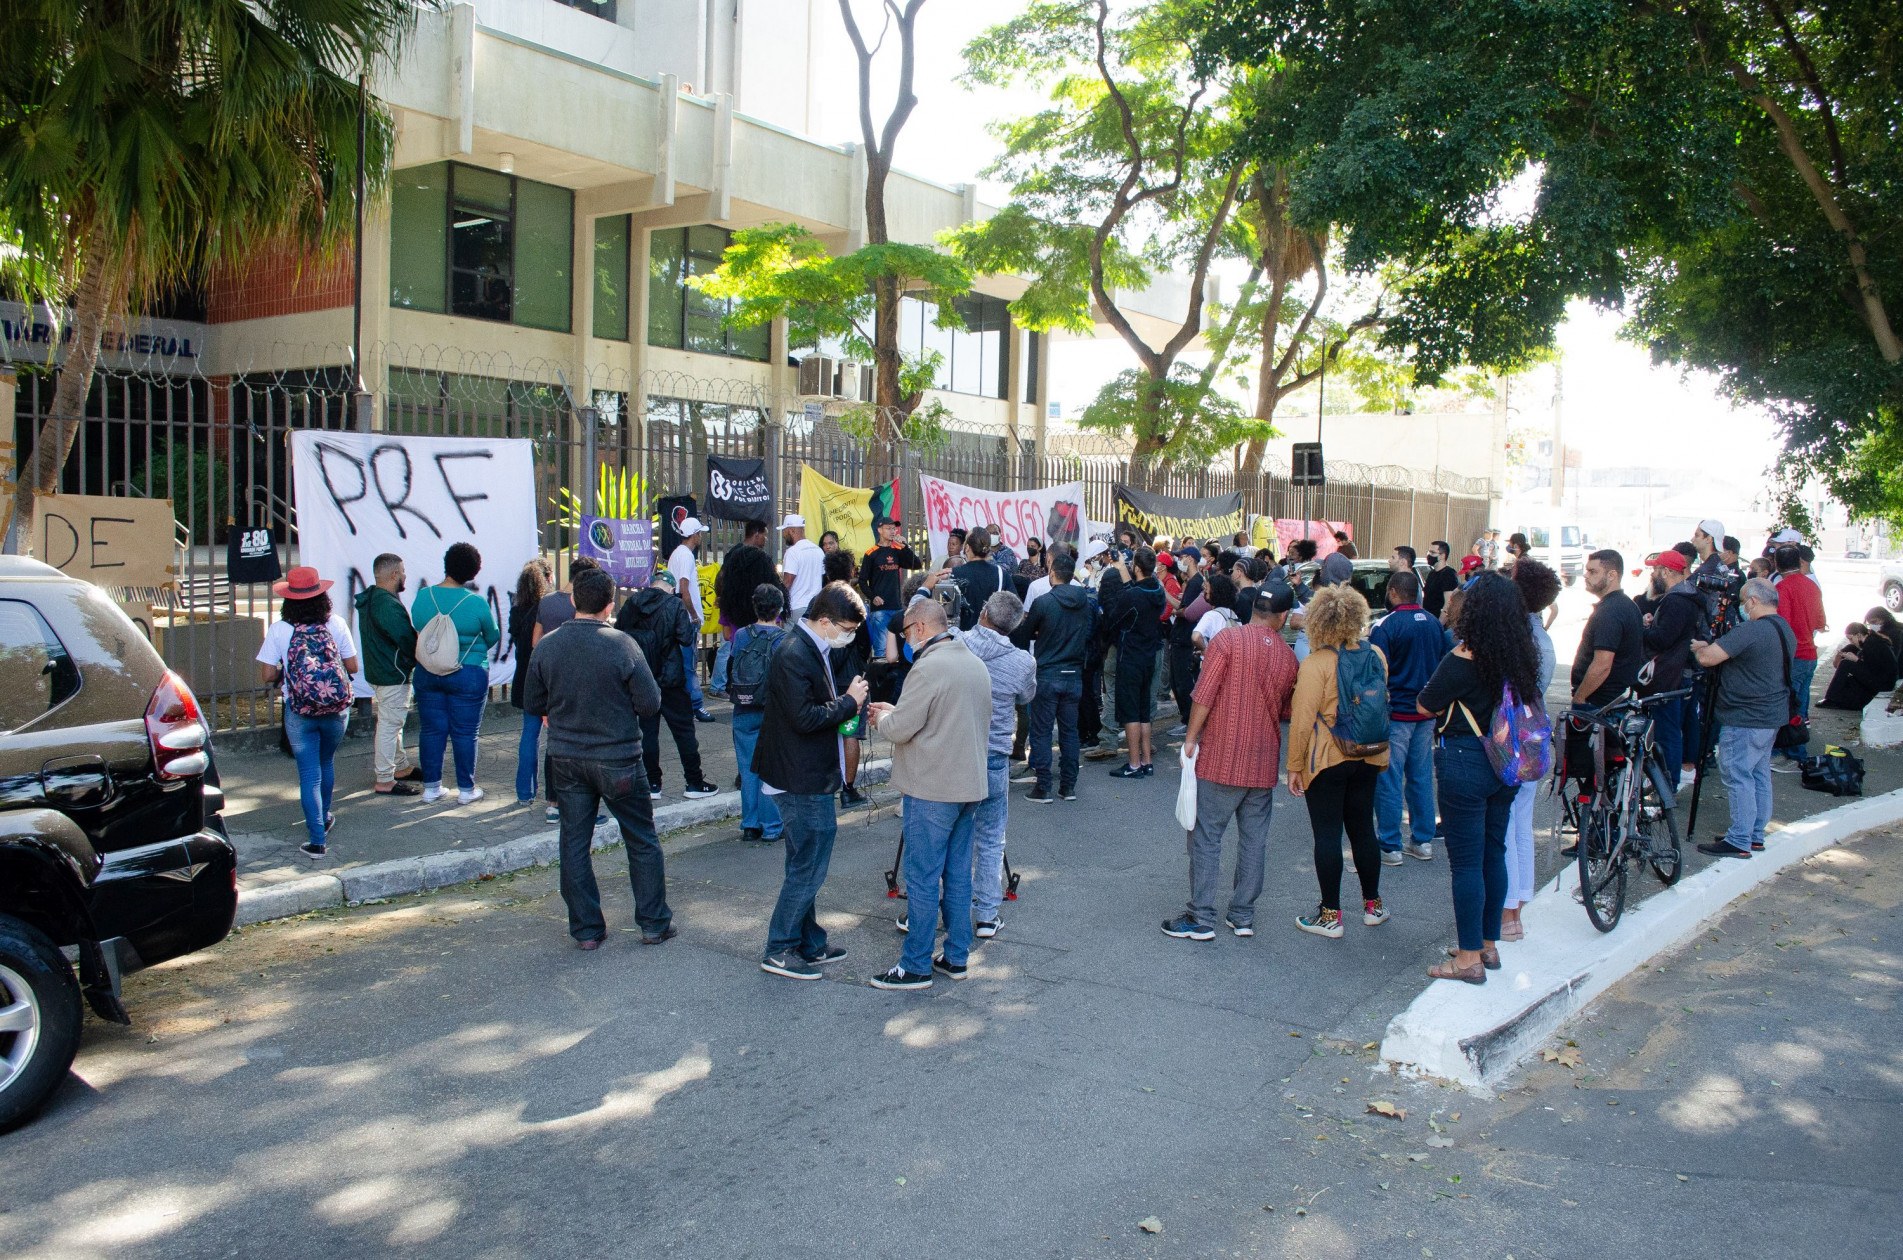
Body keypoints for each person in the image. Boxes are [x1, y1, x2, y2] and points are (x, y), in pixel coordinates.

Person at [523, 568, 674, 950]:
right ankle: (653, 922)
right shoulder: (621, 645)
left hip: (567, 758)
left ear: (573, 600)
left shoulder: (548, 646)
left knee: (573, 843)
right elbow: (650, 703)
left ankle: (587, 930)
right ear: (610, 604)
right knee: (640, 839)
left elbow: (532, 703)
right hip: (619, 757)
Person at [1416, 572, 1540, 983]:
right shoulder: (1520, 657)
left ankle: (1467, 959)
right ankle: (1486, 944)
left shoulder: (1463, 657)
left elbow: (1425, 705)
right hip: (1504, 764)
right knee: (1493, 852)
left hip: (1465, 760)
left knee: (1466, 864)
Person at [861, 599, 990, 989]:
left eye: (904, 634)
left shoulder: (928, 666)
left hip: (933, 788)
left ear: (918, 629)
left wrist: (884, 716)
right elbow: (939, 717)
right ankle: (955, 956)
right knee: (957, 875)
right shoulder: (973, 661)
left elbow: (901, 728)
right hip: (969, 786)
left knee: (921, 878)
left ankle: (915, 965)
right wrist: (895, 713)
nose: (904, 641)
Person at [1163, 584, 1300, 941]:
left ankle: (1201, 916)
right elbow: (1286, 709)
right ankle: (1242, 915)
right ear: (1283, 617)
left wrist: (1190, 740)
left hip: (1223, 755)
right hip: (1264, 758)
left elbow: (1204, 695)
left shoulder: (1226, 641)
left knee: (1206, 836)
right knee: (1254, 839)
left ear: (1254, 606)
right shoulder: (1288, 658)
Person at [757, 584, 869, 980]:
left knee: (803, 860)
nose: (848, 637)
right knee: (809, 864)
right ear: (824, 621)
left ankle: (809, 940)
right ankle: (780, 947)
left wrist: (851, 704)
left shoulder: (811, 647)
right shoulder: (793, 653)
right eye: (845, 628)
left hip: (804, 773)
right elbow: (804, 717)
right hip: (798, 777)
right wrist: (849, 703)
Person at [1284, 586, 1391, 938]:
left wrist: (1294, 767)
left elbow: (1301, 721)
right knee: (1363, 828)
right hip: (1370, 753)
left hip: (1328, 758)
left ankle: (1330, 914)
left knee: (1327, 834)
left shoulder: (1316, 664)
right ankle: (1373, 905)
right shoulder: (1375, 654)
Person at [258, 567, 360, 860]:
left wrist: (288, 676)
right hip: (336, 711)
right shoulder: (336, 624)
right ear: (321, 595)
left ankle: (317, 841)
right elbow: (352, 668)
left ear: (288, 599)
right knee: (326, 762)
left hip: (299, 712)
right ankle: (325, 816)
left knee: (309, 774)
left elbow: (266, 674)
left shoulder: (280, 629)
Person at [1691, 579, 1793, 857]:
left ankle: (1739, 839)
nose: (1741, 606)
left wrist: (1701, 649)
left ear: (1754, 601)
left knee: (1738, 775)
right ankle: (1754, 834)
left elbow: (1708, 659)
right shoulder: (1783, 628)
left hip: (1745, 716)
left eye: (1744, 601)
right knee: (1758, 775)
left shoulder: (1751, 630)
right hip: (1771, 715)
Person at [963, 592, 1037, 938]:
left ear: (982, 611)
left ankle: (942, 907)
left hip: (957, 752)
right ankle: (987, 915)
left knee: (949, 836)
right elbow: (1026, 696)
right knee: (991, 837)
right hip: (993, 754)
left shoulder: (958, 643)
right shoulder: (1022, 661)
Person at [615, 571, 720, 800]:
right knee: (683, 731)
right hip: (670, 678)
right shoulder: (674, 605)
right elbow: (685, 638)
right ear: (671, 588)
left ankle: (652, 784)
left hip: (642, 677)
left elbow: (620, 635)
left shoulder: (633, 603)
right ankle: (693, 781)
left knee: (648, 731)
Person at [410, 542, 501, 806]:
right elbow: (493, 635)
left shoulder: (424, 596)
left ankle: (431, 788)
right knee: (465, 732)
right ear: (473, 571)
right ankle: (465, 789)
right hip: (468, 672)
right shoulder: (476, 602)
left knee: (431, 730)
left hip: (428, 671)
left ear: (446, 565)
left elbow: (417, 624)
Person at [1369, 568, 1445, 865]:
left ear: (1392, 593)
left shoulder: (1384, 626)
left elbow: (1377, 672)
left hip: (1396, 712)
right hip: (1426, 713)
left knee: (1389, 778)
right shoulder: (1433, 623)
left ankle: (1390, 844)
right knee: (1421, 776)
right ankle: (1422, 840)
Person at [1501, 558, 1559, 941]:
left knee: (1508, 827)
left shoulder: (1522, 641)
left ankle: (1509, 914)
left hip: (1515, 742)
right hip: (1534, 738)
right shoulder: (1542, 638)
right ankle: (1518, 906)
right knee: (1520, 824)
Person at [1013, 549, 1093, 803]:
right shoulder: (1085, 600)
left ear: (1052, 572)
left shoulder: (1044, 602)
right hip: (1074, 672)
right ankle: (1068, 786)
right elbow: (1089, 632)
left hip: (1048, 672)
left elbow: (1024, 634)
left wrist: (1040, 635)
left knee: (1042, 731)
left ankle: (1043, 786)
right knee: (1070, 732)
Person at [1565, 549, 1645, 799]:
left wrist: (1580, 699)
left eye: (1593, 571)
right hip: (1611, 702)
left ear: (1612, 575)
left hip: (1602, 705)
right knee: (1603, 776)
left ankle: (1598, 827)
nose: (1586, 576)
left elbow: (1602, 664)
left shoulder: (1612, 611)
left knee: (1593, 774)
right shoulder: (1623, 606)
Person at [353, 552, 421, 797]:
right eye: (402, 571)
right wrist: (419, 656)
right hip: (392, 673)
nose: (404, 575)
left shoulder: (372, 597)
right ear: (394, 574)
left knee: (393, 722)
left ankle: (400, 766)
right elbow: (405, 638)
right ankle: (384, 778)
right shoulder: (388, 604)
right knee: (390, 725)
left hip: (379, 669)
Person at [725, 583, 788, 843]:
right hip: (771, 709)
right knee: (769, 768)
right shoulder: (783, 638)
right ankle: (772, 825)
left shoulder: (741, 635)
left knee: (747, 766)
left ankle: (750, 824)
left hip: (743, 706)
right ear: (780, 608)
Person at [1100, 546, 1168, 777]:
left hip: (1130, 656)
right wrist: (1122, 569)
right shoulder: (1157, 590)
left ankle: (1133, 763)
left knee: (1130, 712)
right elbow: (1137, 592)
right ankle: (1146, 761)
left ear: (1136, 567)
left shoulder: (1132, 595)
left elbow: (1114, 618)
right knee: (1143, 712)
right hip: (1149, 654)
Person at [1638, 549, 1702, 791]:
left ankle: (1666, 786)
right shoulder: (1685, 596)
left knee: (1666, 733)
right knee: (1669, 730)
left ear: (1666, 571)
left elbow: (1664, 639)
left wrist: (1642, 630)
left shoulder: (1676, 600)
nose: (1653, 574)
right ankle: (1666, 783)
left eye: (1655, 569)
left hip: (1669, 676)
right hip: (1678, 673)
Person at [825, 551, 873, 810]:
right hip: (851, 680)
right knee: (849, 732)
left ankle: (829, 784)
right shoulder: (856, 604)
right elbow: (866, 642)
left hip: (826, 677)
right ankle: (848, 789)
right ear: (851, 571)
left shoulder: (819, 603)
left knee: (827, 731)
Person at [1770, 545, 1824, 766]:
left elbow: (1782, 626)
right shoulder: (1812, 586)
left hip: (1793, 655)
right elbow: (1820, 622)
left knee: (1785, 705)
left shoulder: (1782, 588)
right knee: (1799, 705)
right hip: (1810, 652)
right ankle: (1796, 751)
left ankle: (1793, 752)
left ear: (1777, 564)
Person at [711, 520, 777, 699]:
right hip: (736, 610)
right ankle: (718, 686)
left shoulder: (752, 554)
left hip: (745, 610)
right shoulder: (738, 554)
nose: (765, 539)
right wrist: (725, 601)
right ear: (756, 534)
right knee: (728, 646)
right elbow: (722, 578)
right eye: (764, 534)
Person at [508, 559, 553, 805]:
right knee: (554, 738)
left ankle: (524, 792)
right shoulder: (545, 609)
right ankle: (553, 795)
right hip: (544, 679)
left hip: (523, 679)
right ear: (545, 580)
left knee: (529, 735)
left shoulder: (517, 610)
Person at [667, 516, 715, 721]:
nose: (700, 537)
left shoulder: (677, 554)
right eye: (699, 533)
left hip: (679, 617)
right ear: (694, 535)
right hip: (687, 619)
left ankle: (683, 705)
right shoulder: (685, 556)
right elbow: (684, 589)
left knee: (682, 662)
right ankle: (696, 705)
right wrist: (694, 616)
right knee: (689, 663)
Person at [859, 515, 921, 658]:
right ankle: (881, 679)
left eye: (894, 528)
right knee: (881, 649)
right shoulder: (871, 553)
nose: (892, 531)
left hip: (897, 607)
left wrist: (905, 547)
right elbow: (862, 581)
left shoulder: (897, 551)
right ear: (879, 530)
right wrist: (873, 597)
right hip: (880, 610)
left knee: (899, 647)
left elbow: (916, 564)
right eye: (888, 528)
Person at [1165, 547, 1206, 738]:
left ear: (1191, 559)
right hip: (1180, 637)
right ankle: (1186, 720)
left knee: (1183, 682)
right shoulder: (1191, 582)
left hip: (1185, 638)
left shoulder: (1197, 582)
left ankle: (1190, 721)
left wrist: (1165, 594)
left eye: (1182, 557)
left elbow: (1185, 611)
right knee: (1177, 681)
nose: (1179, 561)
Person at [1820, 619, 1898, 710]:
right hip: (1883, 680)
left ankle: (1830, 698)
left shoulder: (1872, 644)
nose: (1851, 642)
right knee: (1850, 678)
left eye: (1851, 639)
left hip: (1884, 683)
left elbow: (1872, 669)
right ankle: (1839, 698)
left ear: (1858, 635)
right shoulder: (1871, 641)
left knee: (1845, 664)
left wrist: (1856, 660)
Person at [950, 527, 1012, 632]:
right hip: (992, 640)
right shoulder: (1001, 574)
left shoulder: (954, 574)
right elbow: (1013, 609)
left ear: (967, 548)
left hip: (962, 640)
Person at [779, 514, 826, 619]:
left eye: (784, 531)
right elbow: (823, 577)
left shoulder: (792, 552)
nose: (783, 535)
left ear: (792, 531)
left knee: (790, 635)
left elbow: (788, 582)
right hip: (816, 608)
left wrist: (779, 607)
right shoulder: (818, 550)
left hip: (796, 607)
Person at [1191, 573, 1240, 651]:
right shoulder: (1233, 614)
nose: (1205, 591)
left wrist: (1205, 650)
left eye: (1207, 588)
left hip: (1213, 659)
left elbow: (1195, 637)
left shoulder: (1211, 615)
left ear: (1215, 592)